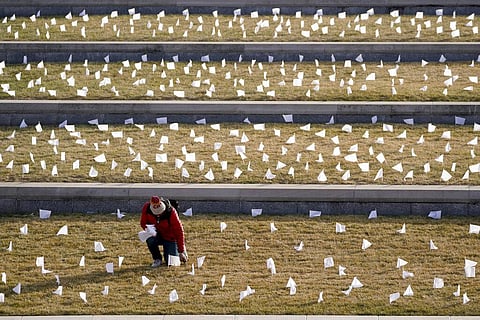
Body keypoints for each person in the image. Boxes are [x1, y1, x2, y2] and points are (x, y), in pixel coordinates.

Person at [140, 196, 188, 268]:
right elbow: (143, 223)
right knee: (150, 240)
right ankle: (157, 258)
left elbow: (179, 231)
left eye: (160, 212)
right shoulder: (146, 208)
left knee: (170, 262)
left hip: (170, 237)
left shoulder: (171, 211)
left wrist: (181, 250)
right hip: (156, 235)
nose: (158, 215)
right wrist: (149, 229)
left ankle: (180, 250)